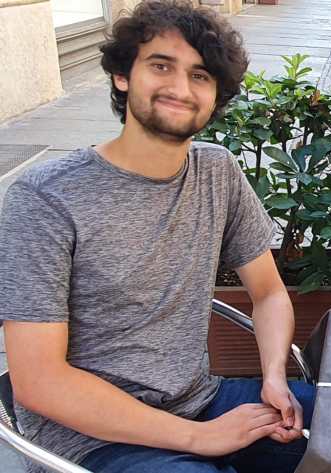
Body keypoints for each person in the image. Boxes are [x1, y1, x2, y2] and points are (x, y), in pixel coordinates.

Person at [0, 2, 313, 472]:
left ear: (215, 96)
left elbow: (268, 293)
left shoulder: (216, 171)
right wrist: (200, 438)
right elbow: (40, 381)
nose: (180, 88)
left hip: (202, 400)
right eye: (161, 66)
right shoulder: (44, 199)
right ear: (122, 75)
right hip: (95, 441)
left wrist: (273, 377)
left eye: (201, 76)